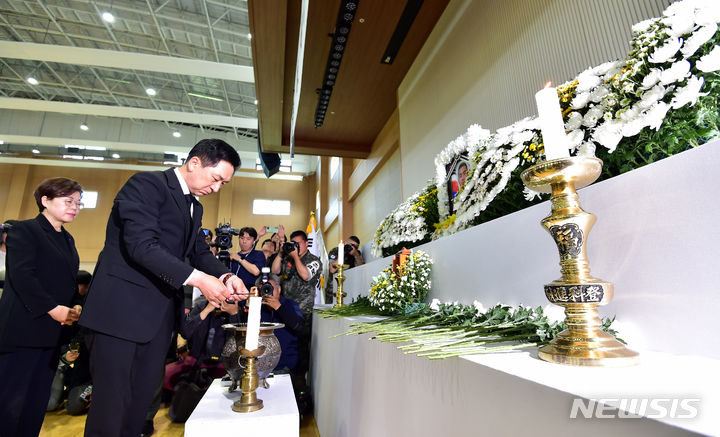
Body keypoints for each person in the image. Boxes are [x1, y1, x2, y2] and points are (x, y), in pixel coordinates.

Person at [78, 139, 249, 437]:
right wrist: (198, 279)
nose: (217, 188)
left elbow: (199, 253)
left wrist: (224, 276)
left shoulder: (193, 207)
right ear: (195, 163)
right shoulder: (147, 185)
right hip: (120, 313)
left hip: (156, 320)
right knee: (111, 406)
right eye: (216, 179)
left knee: (141, 405)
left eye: (224, 183)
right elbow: (141, 246)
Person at [0, 177, 84, 437]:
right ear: (45, 201)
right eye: (68, 200)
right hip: (23, 332)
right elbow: (23, 276)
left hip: (51, 334)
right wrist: (52, 308)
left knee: (35, 404)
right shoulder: (24, 230)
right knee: (10, 403)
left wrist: (75, 307)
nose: (75, 207)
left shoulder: (67, 239)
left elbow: (68, 283)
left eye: (78, 203)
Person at [270, 229, 321, 391]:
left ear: (306, 243)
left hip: (304, 312)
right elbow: (275, 271)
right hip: (286, 310)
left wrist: (296, 257)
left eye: (298, 243)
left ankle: (300, 383)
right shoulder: (286, 257)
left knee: (302, 348)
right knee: (286, 345)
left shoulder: (314, 260)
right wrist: (280, 254)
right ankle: (285, 378)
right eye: (293, 243)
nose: (295, 246)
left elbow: (305, 275)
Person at [325, 236, 364, 302]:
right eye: (351, 245)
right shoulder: (335, 251)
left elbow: (361, 269)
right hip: (333, 291)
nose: (352, 248)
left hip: (349, 290)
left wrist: (356, 255)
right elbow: (332, 270)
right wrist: (343, 252)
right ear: (345, 243)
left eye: (356, 247)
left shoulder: (356, 254)